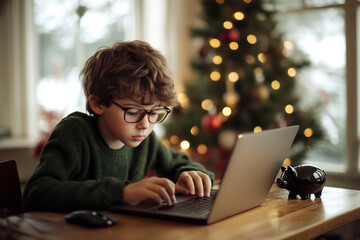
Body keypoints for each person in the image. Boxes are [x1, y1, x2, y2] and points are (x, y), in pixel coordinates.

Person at [23, 40, 214, 212]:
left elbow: (178, 161)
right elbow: (37, 192)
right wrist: (121, 192)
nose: (145, 125)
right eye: (132, 112)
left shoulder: (146, 142)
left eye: (154, 113)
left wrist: (190, 173)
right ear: (98, 103)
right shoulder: (74, 133)